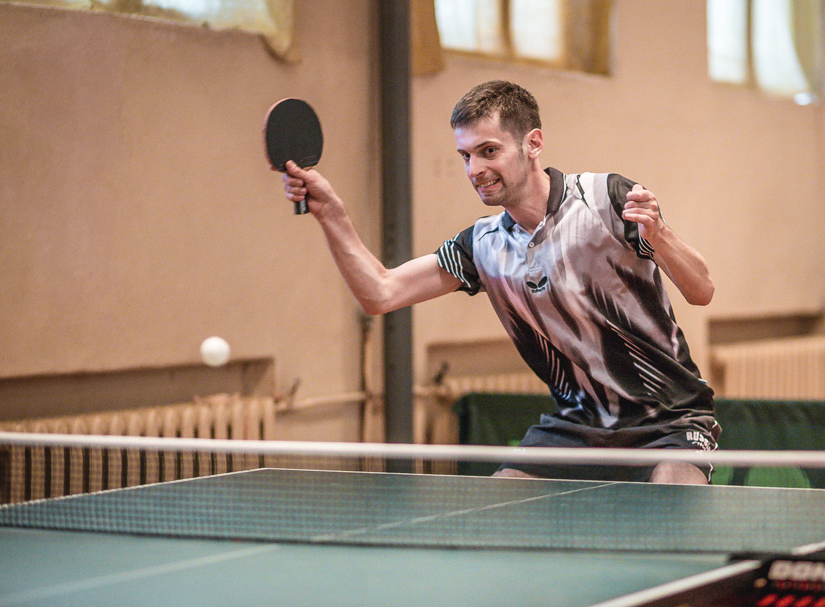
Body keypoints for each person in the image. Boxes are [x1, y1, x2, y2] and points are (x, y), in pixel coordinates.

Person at [280, 80, 719, 485]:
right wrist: (332, 214)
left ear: (533, 143)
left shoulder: (606, 199)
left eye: (488, 151)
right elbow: (381, 292)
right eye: (465, 156)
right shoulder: (483, 244)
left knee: (671, 497)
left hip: (670, 420)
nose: (475, 169)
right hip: (580, 426)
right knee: (501, 502)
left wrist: (660, 236)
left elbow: (702, 291)